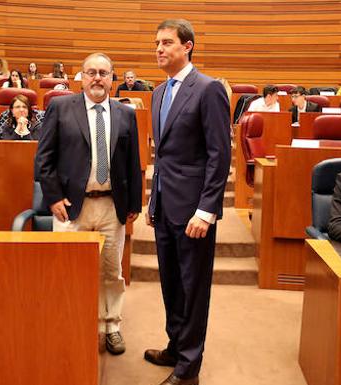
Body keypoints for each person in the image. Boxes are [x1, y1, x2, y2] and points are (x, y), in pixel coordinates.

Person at [36, 52, 142, 356]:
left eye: (104, 73)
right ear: (81, 77)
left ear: (112, 78)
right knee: (69, 270)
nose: (97, 78)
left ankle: (111, 325)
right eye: (92, 72)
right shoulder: (59, 107)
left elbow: (133, 162)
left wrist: (134, 202)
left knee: (111, 271)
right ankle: (71, 323)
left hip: (112, 206)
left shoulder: (126, 114)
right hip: (71, 206)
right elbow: (44, 159)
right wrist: (53, 197)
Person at [145, 19, 231, 385]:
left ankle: (189, 369)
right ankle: (176, 345)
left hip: (194, 209)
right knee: (171, 283)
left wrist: (206, 210)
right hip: (165, 205)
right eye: (157, 43)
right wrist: (153, 202)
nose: (159, 49)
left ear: (188, 46)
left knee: (194, 288)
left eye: (167, 42)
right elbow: (162, 156)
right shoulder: (158, 92)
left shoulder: (208, 89)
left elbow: (219, 155)